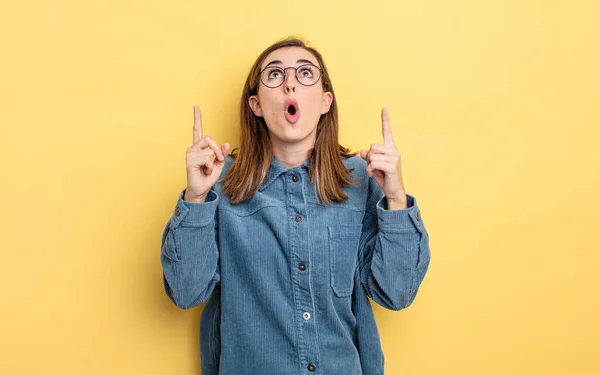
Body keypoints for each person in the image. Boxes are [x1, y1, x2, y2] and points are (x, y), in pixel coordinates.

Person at [160, 37, 431, 375]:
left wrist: (396, 198)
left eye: (305, 74)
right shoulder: (218, 180)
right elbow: (185, 292)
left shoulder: (363, 180)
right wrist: (196, 198)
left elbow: (396, 293)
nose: (290, 82)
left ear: (324, 101)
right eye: (274, 75)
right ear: (256, 104)